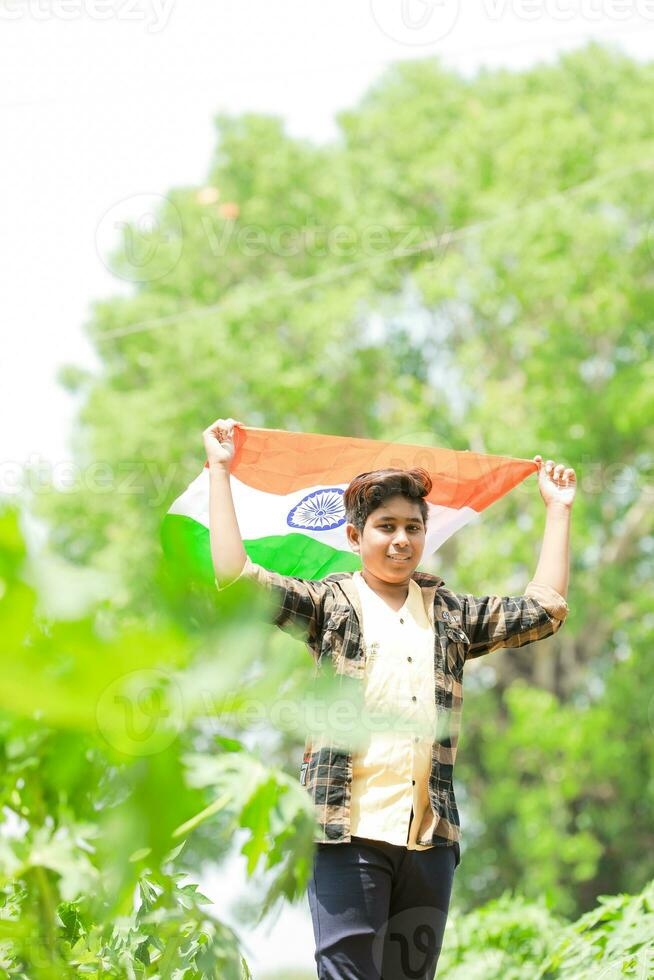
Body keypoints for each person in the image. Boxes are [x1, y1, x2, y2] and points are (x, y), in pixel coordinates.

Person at [203, 417, 576, 980]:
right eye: (385, 527)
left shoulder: (448, 613)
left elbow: (542, 610)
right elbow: (237, 576)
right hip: (343, 832)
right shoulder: (331, 606)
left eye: (412, 527)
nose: (401, 540)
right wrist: (220, 470)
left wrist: (558, 509)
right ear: (356, 537)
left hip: (430, 840)